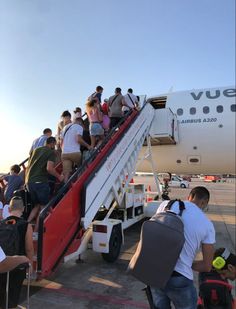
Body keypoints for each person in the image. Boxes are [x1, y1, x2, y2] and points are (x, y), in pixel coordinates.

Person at [150, 186, 215, 309]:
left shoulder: (165, 205)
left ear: (189, 197)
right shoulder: (207, 224)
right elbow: (207, 266)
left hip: (156, 272)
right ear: (204, 202)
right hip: (179, 278)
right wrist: (186, 263)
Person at [0, 196, 34, 308]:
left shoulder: (1, 223)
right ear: (23, 209)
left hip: (3, 262)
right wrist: (30, 263)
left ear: (9, 209)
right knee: (12, 297)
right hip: (18, 266)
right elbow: (29, 248)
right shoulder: (26, 225)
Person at [25, 137, 64, 230]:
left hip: (29, 182)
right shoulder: (50, 152)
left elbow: (28, 167)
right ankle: (36, 232)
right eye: (54, 145)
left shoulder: (36, 150)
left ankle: (26, 226)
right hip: (40, 182)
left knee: (37, 205)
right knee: (43, 207)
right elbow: (49, 168)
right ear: (52, 143)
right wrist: (59, 177)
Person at [61, 113, 92, 182]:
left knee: (66, 174)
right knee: (81, 166)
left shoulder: (64, 128)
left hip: (64, 154)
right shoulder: (78, 127)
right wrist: (88, 146)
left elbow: (61, 143)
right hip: (75, 153)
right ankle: (79, 181)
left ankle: (66, 189)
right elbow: (78, 139)